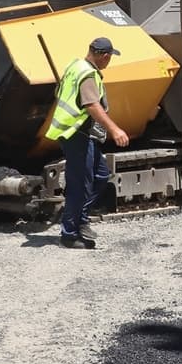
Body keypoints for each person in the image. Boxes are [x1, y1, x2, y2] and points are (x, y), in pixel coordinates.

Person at [45, 36, 130, 249]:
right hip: (75, 134)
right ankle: (69, 234)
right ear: (104, 56)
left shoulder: (76, 65)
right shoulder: (88, 74)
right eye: (109, 57)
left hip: (80, 134)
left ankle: (80, 218)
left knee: (101, 175)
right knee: (78, 186)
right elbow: (92, 105)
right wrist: (114, 129)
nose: (109, 62)